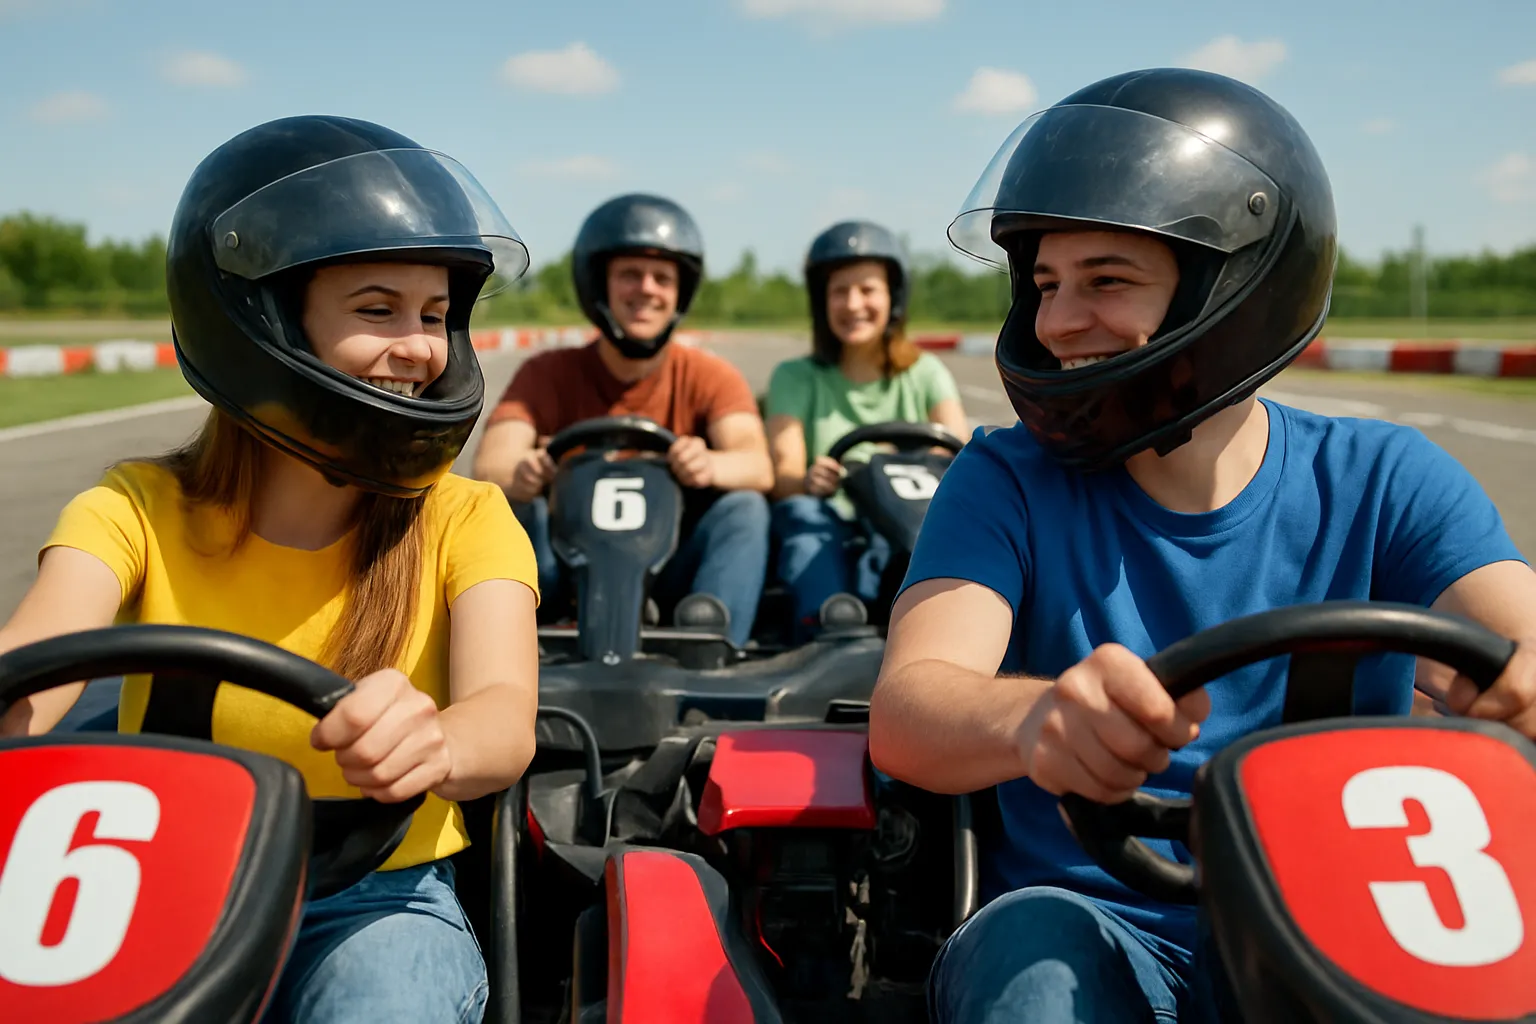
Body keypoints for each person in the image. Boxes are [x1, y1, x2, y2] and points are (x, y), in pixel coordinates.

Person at [865, 68, 1536, 1023]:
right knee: (1031, 967)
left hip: (1349, 913)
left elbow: (1516, 634)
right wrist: (1037, 719)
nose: (1055, 323)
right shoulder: (1005, 478)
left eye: (1106, 281)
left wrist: (1524, 687)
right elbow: (910, 706)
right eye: (1045, 283)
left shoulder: (1387, 478)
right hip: (1096, 924)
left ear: (1233, 291)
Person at [0, 115, 542, 1024]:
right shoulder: (136, 508)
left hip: (377, 897)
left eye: (437, 315)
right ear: (258, 320)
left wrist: (436, 741)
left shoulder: (467, 515)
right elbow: (33, 669)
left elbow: (504, 718)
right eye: (378, 309)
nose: (420, 347)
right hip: (147, 880)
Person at [472, 193, 773, 648]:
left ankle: (713, 646)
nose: (647, 289)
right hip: (565, 571)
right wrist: (527, 469)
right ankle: (509, 644)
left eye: (662, 278)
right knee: (513, 503)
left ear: (680, 293)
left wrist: (709, 464)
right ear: (600, 285)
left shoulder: (708, 374)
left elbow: (757, 464)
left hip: (666, 565)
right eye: (630, 274)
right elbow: (491, 463)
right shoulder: (549, 372)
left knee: (745, 508)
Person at [764, 220, 968, 641]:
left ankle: (932, 632)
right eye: (840, 290)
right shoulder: (795, 377)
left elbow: (962, 458)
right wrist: (807, 480)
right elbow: (784, 474)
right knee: (800, 514)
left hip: (905, 519)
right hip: (829, 517)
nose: (853, 303)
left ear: (893, 296)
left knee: (940, 522)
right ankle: (831, 629)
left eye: (867, 289)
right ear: (823, 301)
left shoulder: (926, 373)